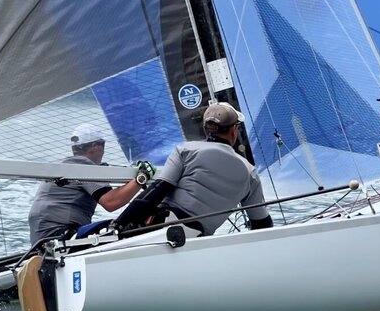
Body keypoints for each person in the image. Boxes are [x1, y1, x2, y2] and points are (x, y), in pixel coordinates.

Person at [115, 102, 272, 236]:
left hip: (159, 228)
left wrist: (118, 225)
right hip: (197, 241)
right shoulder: (250, 172)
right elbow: (261, 222)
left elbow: (158, 190)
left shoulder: (185, 150)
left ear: (206, 129)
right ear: (234, 130)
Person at [27, 123, 155, 245]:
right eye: (103, 145)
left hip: (43, 238)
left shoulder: (68, 166)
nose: (103, 150)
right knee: (125, 227)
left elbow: (111, 195)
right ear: (95, 146)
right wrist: (142, 178)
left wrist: (132, 182)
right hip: (59, 235)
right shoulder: (83, 167)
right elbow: (111, 202)